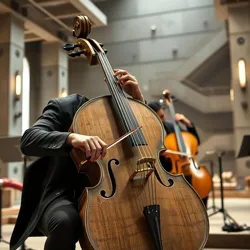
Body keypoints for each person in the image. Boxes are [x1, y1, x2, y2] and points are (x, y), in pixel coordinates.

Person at [10, 69, 145, 250]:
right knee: (66, 222)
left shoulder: (129, 115)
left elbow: (154, 144)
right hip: (64, 195)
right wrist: (71, 138)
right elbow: (29, 139)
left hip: (120, 191)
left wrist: (138, 100)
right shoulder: (68, 107)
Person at [148, 101, 209, 208]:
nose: (163, 120)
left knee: (202, 189)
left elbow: (194, 142)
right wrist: (159, 153)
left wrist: (187, 123)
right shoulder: (149, 133)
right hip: (166, 172)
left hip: (185, 166)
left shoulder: (171, 127)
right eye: (159, 117)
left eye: (163, 116)